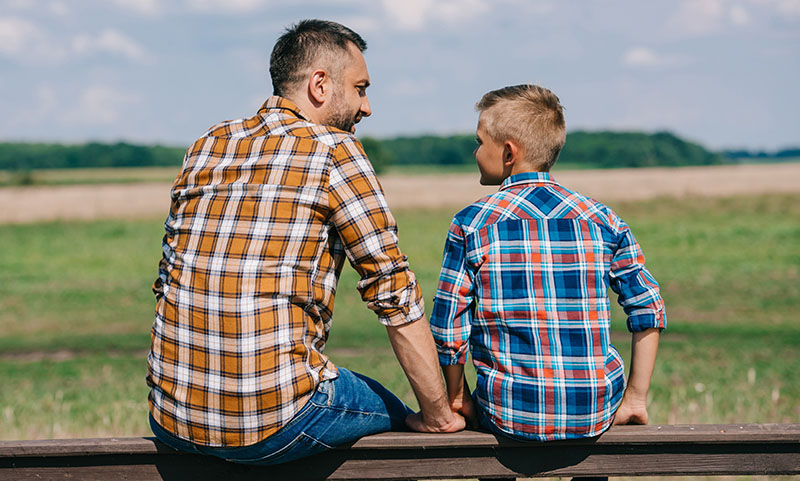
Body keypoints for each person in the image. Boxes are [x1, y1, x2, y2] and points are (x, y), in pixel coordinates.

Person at [146, 19, 463, 466]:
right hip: (273, 422)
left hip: (170, 419)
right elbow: (394, 291)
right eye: (360, 88)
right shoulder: (336, 150)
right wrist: (437, 415)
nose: (367, 106)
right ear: (320, 84)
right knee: (399, 416)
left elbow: (167, 277)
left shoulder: (208, 143)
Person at [430, 84, 666, 445]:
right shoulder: (603, 219)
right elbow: (648, 305)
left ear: (508, 152)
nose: (475, 151)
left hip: (508, 412)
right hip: (594, 412)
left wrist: (458, 397)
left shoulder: (472, 223)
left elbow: (449, 325)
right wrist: (634, 397)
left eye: (479, 142)